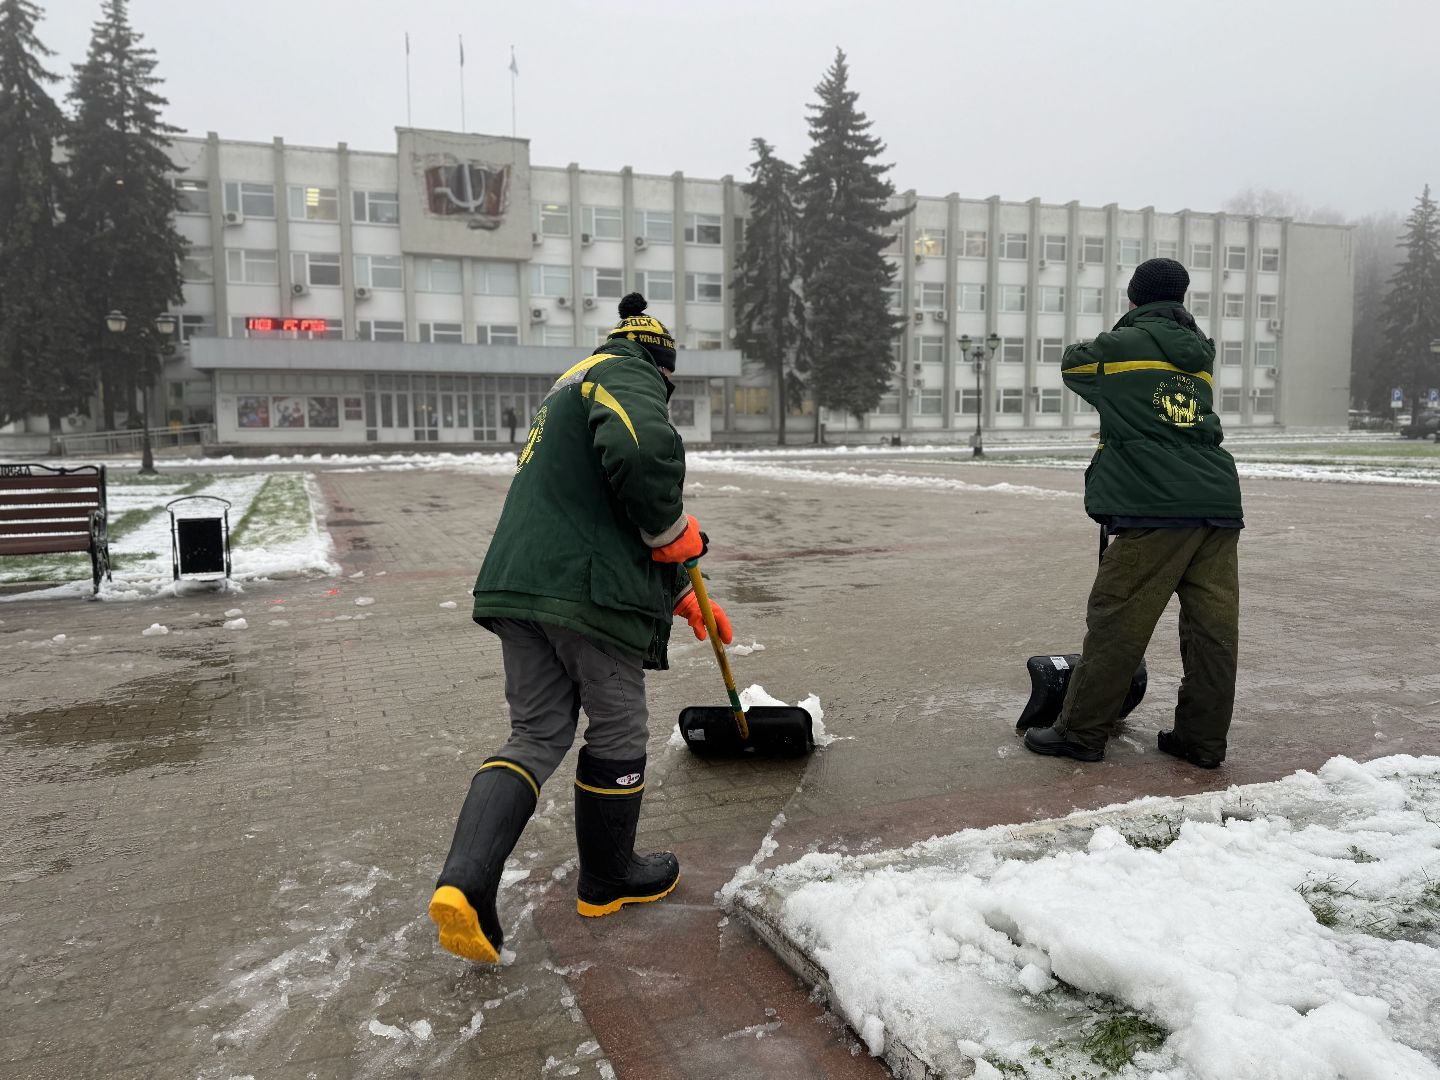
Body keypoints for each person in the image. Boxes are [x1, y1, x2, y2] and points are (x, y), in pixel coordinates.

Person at [428, 292, 734, 964]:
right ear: (661, 365)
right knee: (619, 728)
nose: (666, 393)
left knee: (536, 733)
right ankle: (608, 878)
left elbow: (598, 505)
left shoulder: (571, 387)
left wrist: (683, 595)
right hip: (583, 594)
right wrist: (671, 528)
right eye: (669, 383)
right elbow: (641, 454)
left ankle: (465, 883)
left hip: (521, 585)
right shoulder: (626, 371)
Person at [1023, 258, 1243, 768]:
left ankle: (1080, 734)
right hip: (1217, 505)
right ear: (1181, 299)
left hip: (1154, 505)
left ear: (1134, 297)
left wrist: (1126, 328)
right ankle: (1201, 742)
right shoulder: (1201, 353)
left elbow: (1072, 364)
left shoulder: (1120, 346)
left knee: (1117, 621)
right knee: (1212, 634)